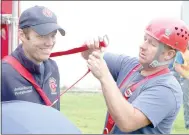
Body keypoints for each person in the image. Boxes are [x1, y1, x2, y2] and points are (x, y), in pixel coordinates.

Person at [81, 18, 189, 134]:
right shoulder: (130, 64)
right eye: (145, 39)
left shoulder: (168, 89)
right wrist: (90, 47)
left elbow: (127, 123)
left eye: (152, 44)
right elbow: (91, 55)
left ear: (169, 54)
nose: (142, 46)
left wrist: (104, 77)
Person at [2, 5, 65, 110]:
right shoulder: (4, 73)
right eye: (42, 35)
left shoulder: (52, 67)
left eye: (53, 35)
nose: (49, 43)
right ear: (22, 35)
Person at [170, 49, 189, 129]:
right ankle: (188, 123)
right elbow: (177, 67)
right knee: (187, 102)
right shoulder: (181, 53)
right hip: (185, 79)